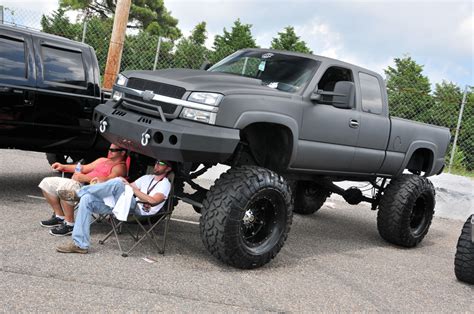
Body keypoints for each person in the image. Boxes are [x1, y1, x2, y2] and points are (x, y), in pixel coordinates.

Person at [56, 160, 172, 254]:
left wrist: (128, 187)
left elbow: (152, 201)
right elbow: (128, 187)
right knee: (87, 199)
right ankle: (80, 245)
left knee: (117, 182)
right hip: (123, 205)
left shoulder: (165, 184)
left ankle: (77, 193)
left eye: (161, 164)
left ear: (168, 169)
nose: (156, 165)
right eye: (156, 162)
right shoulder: (147, 178)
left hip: (139, 209)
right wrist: (106, 182)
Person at [38, 144, 128, 236]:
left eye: (113, 150)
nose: (109, 151)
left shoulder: (120, 167)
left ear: (122, 152)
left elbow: (109, 182)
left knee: (66, 188)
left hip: (92, 190)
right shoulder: (103, 160)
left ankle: (70, 224)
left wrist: (85, 178)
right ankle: (59, 217)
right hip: (79, 183)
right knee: (46, 183)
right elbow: (83, 168)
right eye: (109, 148)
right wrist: (63, 166)